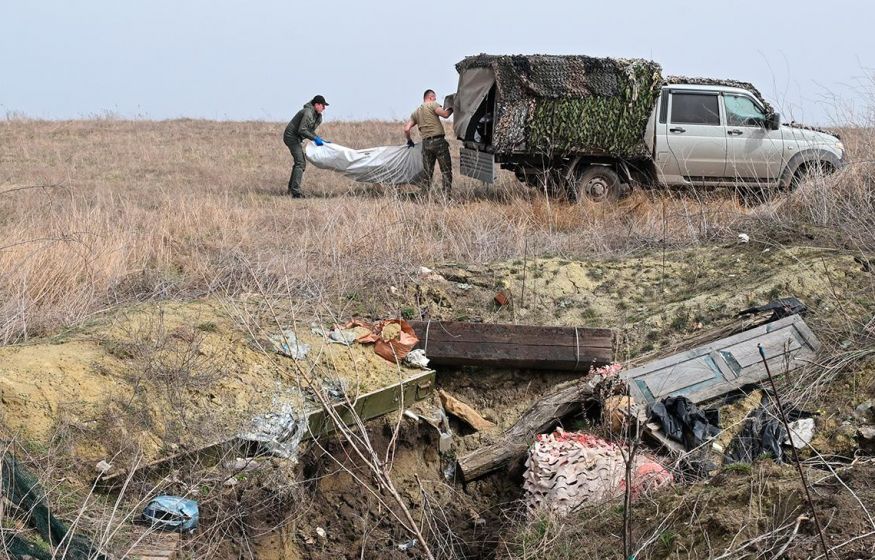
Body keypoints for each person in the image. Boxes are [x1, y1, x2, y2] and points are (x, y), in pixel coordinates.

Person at [404, 89, 453, 196]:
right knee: (446, 171)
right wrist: (452, 107)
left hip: (426, 144)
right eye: (434, 98)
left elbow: (407, 129)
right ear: (430, 98)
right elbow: (445, 114)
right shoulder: (432, 105)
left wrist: (409, 140)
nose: (435, 100)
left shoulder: (416, 112)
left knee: (427, 172)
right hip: (439, 142)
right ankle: (446, 196)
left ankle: (424, 196)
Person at [283, 95, 330, 198]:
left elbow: (310, 131)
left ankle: (291, 189)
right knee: (300, 162)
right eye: (322, 105)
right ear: (316, 104)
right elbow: (302, 130)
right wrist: (315, 139)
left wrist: (321, 140)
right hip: (291, 137)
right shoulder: (308, 113)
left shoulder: (317, 116)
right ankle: (296, 193)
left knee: (299, 163)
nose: (324, 108)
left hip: (297, 138)